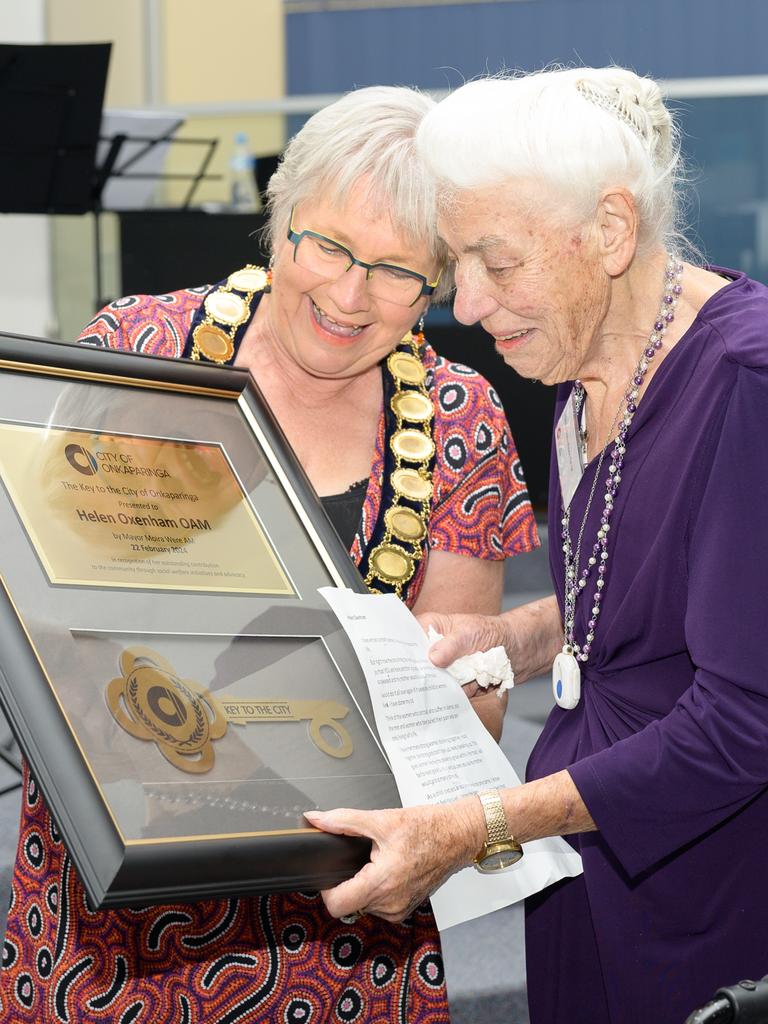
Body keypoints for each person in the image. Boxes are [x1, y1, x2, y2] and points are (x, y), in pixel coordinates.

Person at [0, 86, 538, 1023]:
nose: (347, 294)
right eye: (326, 245)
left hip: (340, 911)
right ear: (280, 221)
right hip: (116, 893)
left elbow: (473, 701)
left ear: (439, 282)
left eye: (395, 271)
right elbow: (35, 580)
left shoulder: (459, 418)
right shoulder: (136, 347)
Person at [307, 67, 768, 1024]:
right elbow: (674, 579)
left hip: (706, 893)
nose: (465, 306)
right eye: (454, 265)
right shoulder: (584, 350)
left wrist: (478, 825)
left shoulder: (744, 385)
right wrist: (518, 639)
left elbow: (746, 720)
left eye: (496, 263)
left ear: (610, 232)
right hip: (582, 859)